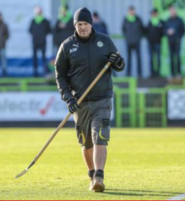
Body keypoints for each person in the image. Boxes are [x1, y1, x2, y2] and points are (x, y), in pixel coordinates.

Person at [55, 7, 125, 192]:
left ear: (91, 24)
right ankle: (91, 174)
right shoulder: (67, 46)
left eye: (85, 24)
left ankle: (99, 177)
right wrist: (68, 98)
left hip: (102, 98)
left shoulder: (105, 41)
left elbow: (119, 63)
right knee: (86, 142)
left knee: (100, 136)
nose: (82, 27)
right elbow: (60, 75)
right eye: (79, 24)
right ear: (75, 25)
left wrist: (118, 63)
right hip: (79, 102)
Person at [122, 6, 144, 77]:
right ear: (128, 11)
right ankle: (128, 74)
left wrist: (138, 37)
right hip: (129, 42)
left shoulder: (138, 19)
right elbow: (123, 29)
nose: (132, 12)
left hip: (137, 42)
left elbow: (142, 29)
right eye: (130, 10)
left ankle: (139, 74)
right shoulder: (125, 19)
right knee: (129, 58)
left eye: (132, 10)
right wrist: (128, 37)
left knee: (138, 58)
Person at [29, 6, 51, 77]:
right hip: (35, 42)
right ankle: (35, 72)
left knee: (43, 58)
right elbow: (30, 30)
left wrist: (43, 35)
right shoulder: (33, 20)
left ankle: (44, 72)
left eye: (39, 11)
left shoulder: (45, 21)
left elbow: (49, 30)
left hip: (42, 42)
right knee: (35, 58)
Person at [165, 5, 185, 78]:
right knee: (171, 57)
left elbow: (183, 31)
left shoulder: (180, 20)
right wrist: (168, 32)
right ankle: (172, 73)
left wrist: (176, 33)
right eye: (171, 11)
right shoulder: (168, 20)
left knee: (178, 57)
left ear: (175, 11)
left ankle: (179, 73)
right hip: (170, 41)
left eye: (174, 10)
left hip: (177, 41)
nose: (172, 12)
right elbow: (164, 30)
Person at [146, 8, 164, 77]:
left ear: (157, 13)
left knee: (158, 58)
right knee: (151, 58)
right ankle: (152, 72)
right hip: (150, 43)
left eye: (154, 13)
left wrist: (159, 38)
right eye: (152, 13)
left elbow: (163, 32)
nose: (153, 14)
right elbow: (146, 31)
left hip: (158, 42)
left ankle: (158, 72)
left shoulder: (161, 22)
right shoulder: (149, 22)